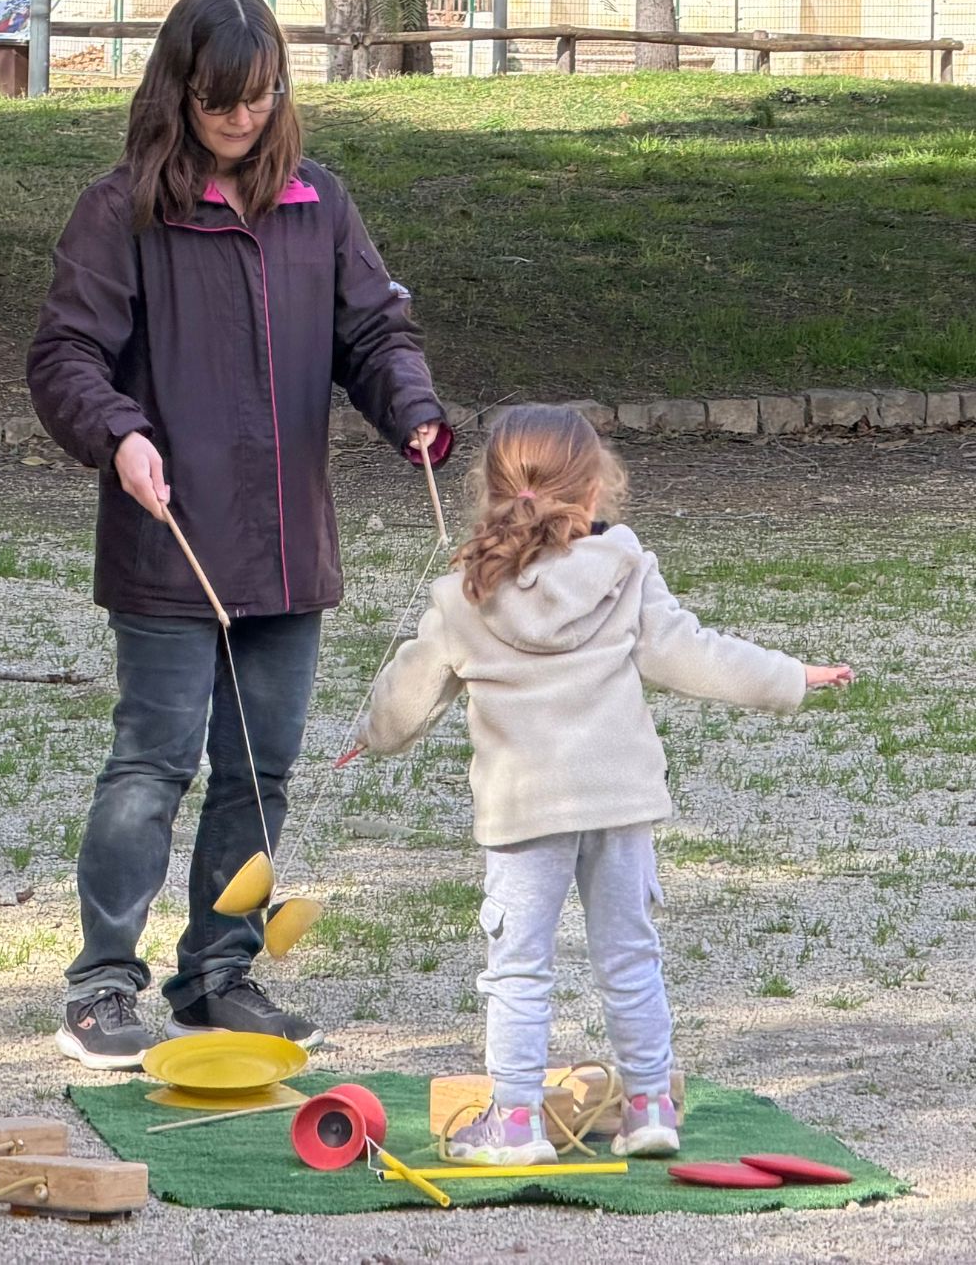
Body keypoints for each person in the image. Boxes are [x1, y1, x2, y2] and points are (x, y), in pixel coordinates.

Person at [27, 0, 453, 1071]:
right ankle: (100, 986)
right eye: (224, 100)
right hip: (169, 543)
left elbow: (375, 332)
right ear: (182, 92)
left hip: (286, 546)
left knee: (260, 772)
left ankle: (218, 975)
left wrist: (413, 409)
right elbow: (64, 358)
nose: (245, 119)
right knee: (153, 763)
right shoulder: (119, 210)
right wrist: (119, 434)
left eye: (263, 98)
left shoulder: (320, 205)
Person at [355, 404, 851, 1164]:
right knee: (630, 955)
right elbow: (693, 653)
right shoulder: (624, 567)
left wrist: (369, 737)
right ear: (593, 492)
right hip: (621, 802)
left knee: (518, 967)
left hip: (524, 813)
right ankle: (650, 1105)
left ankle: (516, 1123)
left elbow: (404, 700)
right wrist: (791, 676)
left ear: (493, 492)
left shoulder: (464, 596)